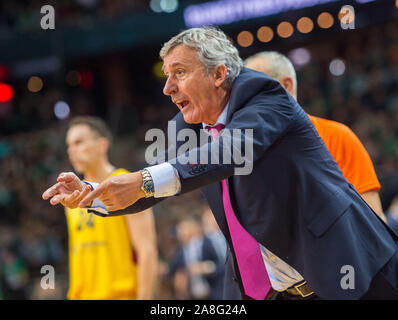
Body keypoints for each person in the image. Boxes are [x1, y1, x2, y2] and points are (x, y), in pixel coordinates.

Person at [43, 27, 398, 300]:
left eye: (179, 72)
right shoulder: (187, 125)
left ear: (218, 74)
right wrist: (93, 193)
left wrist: (142, 180)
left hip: (353, 270)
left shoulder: (265, 96)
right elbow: (156, 182)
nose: (168, 88)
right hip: (280, 289)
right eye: (166, 76)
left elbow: (228, 152)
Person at [244, 51, 386, 223]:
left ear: (285, 86)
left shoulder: (336, 136)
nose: (245, 102)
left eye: (253, 90)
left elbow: (374, 218)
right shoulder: (249, 152)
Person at [63, 116, 158, 299]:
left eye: (79, 142)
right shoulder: (72, 195)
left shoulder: (126, 184)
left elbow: (147, 249)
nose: (71, 151)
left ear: (102, 145)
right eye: (69, 145)